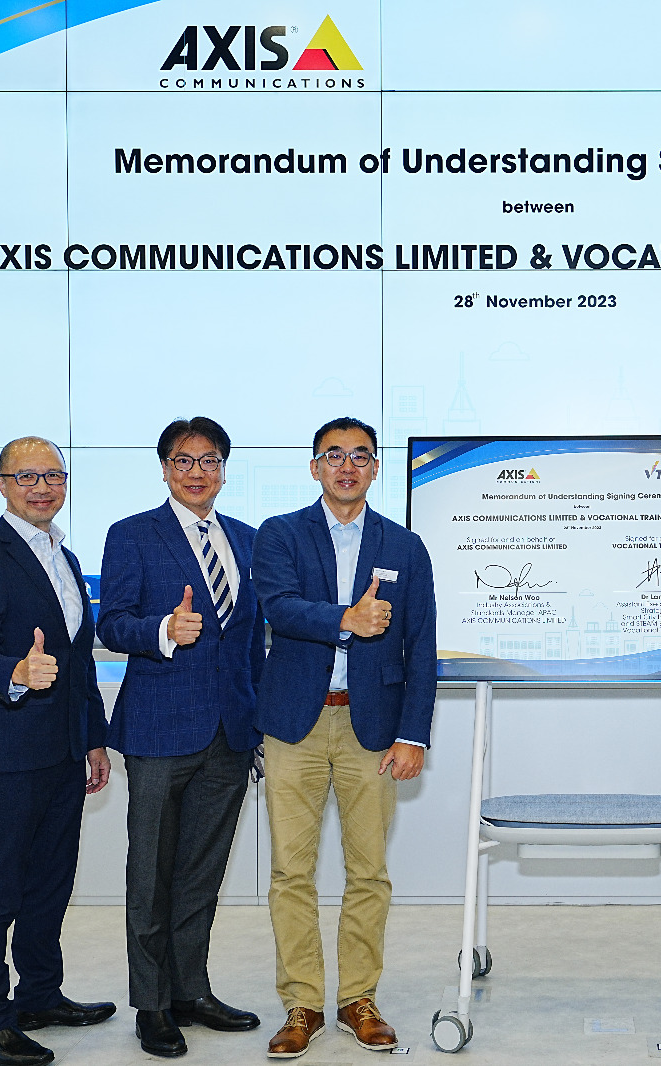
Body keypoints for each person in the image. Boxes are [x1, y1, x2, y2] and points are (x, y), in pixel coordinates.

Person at [251, 416, 438, 1057]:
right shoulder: (280, 534)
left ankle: (359, 998)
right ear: (315, 467)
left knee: (369, 872)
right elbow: (278, 607)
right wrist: (347, 619)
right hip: (294, 726)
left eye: (361, 455)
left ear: (376, 468)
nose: (347, 466)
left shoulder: (405, 546)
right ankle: (301, 1004)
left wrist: (414, 734)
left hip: (374, 728)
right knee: (289, 872)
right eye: (334, 455)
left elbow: (421, 646)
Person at [96, 417, 265, 1057]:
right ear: (165, 467)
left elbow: (250, 642)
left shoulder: (247, 539)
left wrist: (258, 725)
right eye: (183, 460)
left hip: (230, 733)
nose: (197, 472)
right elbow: (112, 623)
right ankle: (152, 1003)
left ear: (223, 469)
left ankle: (191, 990)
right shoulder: (132, 534)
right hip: (159, 729)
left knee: (201, 873)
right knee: (151, 875)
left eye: (209, 460)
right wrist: (163, 630)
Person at [0, 437, 115, 1066]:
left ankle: (40, 995)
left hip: (66, 748)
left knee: (51, 882)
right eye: (27, 476)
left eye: (53, 475)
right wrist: (17, 672)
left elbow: (78, 661)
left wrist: (95, 739)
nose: (42, 487)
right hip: (11, 750)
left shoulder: (64, 557)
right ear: (2, 484)